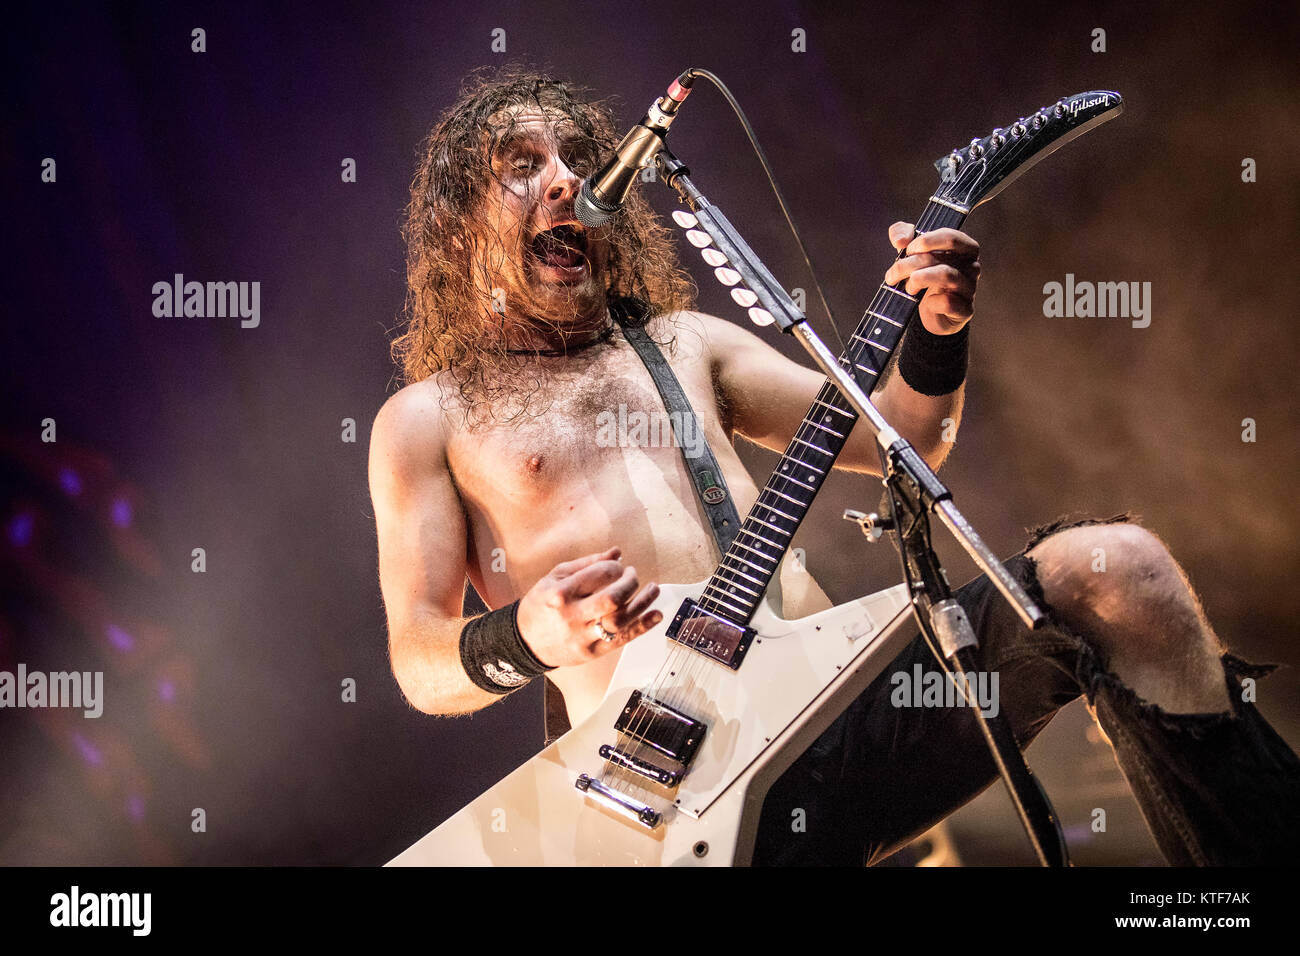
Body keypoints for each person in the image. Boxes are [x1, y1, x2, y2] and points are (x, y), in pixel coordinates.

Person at [368, 69, 1300, 866]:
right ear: (459, 228)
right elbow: (419, 661)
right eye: (523, 168)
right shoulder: (427, 419)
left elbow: (899, 432)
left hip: (833, 711)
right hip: (653, 798)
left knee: (1121, 573)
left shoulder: (686, 342)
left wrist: (937, 334)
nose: (568, 182)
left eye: (579, 156)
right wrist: (522, 637)